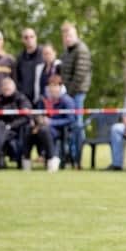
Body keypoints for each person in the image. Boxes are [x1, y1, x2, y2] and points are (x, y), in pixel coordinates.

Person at [59, 22, 92, 168]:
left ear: (76, 35)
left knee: (77, 125)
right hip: (68, 94)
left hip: (76, 94)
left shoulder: (81, 50)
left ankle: (77, 158)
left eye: (70, 35)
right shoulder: (67, 52)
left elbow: (79, 75)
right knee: (70, 125)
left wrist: (68, 93)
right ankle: (69, 156)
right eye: (65, 35)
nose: (67, 38)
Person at [0, 77, 32, 169]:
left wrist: (10, 126)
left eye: (8, 89)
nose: (6, 91)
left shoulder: (21, 99)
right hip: (1, 130)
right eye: (4, 89)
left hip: (17, 129)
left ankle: (1, 157)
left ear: (13, 88)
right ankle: (1, 155)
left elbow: (26, 117)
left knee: (0, 129)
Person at [37, 75, 76, 169]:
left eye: (55, 86)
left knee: (45, 131)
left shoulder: (67, 101)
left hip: (61, 130)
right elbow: (39, 111)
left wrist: (51, 122)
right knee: (29, 130)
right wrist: (39, 119)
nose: (52, 88)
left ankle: (52, 158)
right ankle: (25, 160)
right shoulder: (44, 99)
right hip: (45, 127)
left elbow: (71, 120)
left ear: (60, 86)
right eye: (50, 86)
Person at [16, 28, 45, 103]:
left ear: (36, 37)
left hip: (42, 98)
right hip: (25, 99)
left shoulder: (44, 54)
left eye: (31, 36)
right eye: (26, 37)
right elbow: (17, 78)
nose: (29, 39)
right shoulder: (20, 57)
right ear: (22, 40)